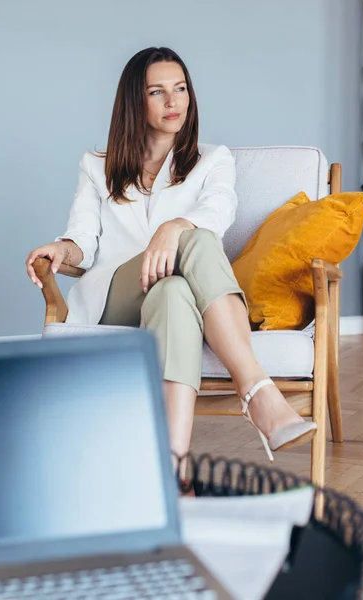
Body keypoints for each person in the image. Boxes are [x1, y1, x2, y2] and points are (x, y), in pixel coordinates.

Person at [26, 47, 316, 483]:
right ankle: (257, 392)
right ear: (134, 102)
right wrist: (62, 250)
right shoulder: (97, 166)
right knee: (193, 240)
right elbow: (82, 241)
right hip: (115, 299)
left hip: (169, 295)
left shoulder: (212, 160)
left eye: (180, 89)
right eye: (157, 91)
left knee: (175, 292)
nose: (173, 101)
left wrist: (173, 226)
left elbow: (219, 212)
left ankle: (173, 473)